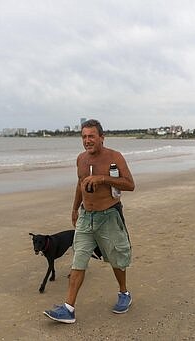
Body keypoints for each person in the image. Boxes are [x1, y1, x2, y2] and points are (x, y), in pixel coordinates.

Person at [44, 119, 135, 324]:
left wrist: (103, 178)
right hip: (86, 216)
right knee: (79, 258)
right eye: (84, 137)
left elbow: (130, 184)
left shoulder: (115, 157)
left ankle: (124, 293)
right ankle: (68, 308)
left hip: (109, 215)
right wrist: (75, 208)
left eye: (91, 136)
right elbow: (79, 185)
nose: (87, 140)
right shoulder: (81, 159)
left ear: (101, 137)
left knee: (116, 258)